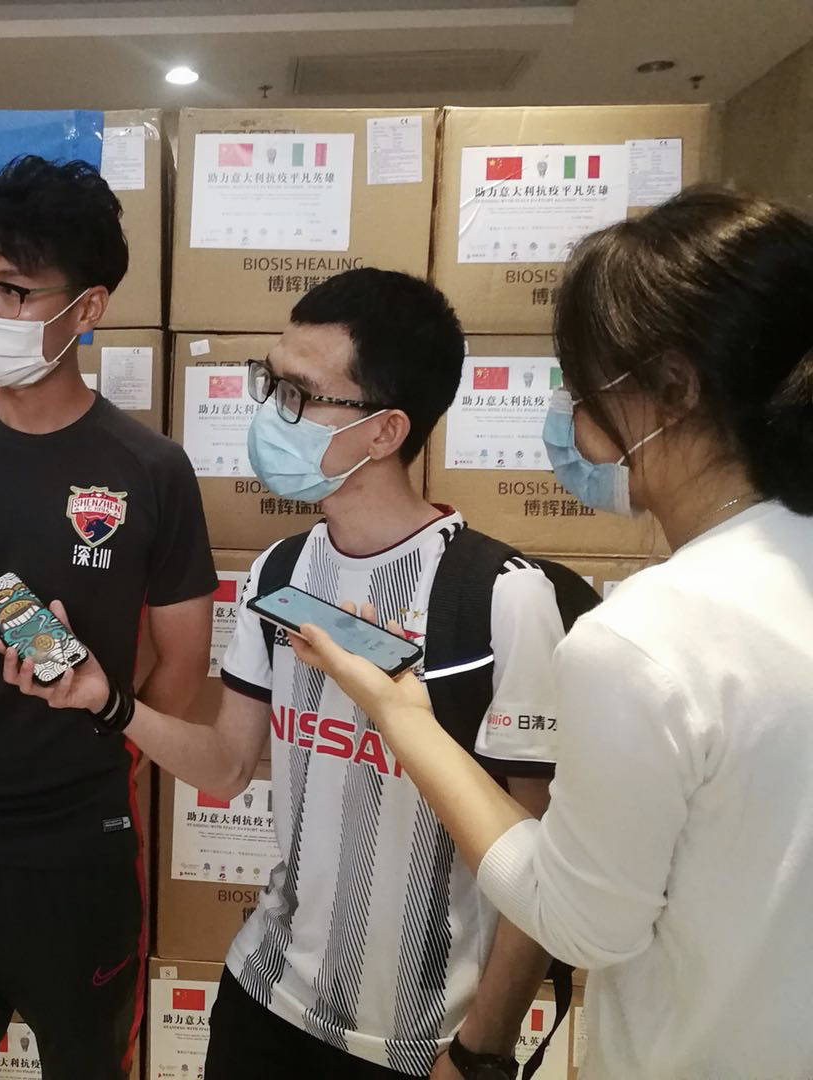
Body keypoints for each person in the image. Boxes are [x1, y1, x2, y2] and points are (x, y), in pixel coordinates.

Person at [290, 189, 813, 1079]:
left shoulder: (645, 637)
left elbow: (580, 920)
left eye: (583, 388)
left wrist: (401, 714)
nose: (570, 420)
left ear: (673, 389)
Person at [2, 268, 573, 1080]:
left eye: (300, 394)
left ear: (384, 432)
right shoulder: (279, 571)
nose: (272, 411)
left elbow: (542, 863)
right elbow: (227, 765)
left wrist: (480, 1053)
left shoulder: (500, 597)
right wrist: (105, 699)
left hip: (417, 1042)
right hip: (263, 1000)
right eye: (270, 382)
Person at [0, 154, 217, 1080]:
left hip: (80, 852)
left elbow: (183, 665)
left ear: (87, 308)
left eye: (14, 291)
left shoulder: (151, 471)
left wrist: (98, 735)